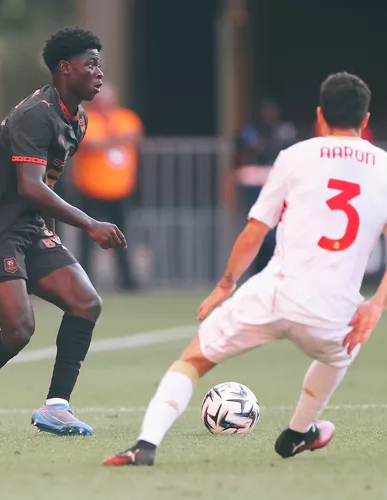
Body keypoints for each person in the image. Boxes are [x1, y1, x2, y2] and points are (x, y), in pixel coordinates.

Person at [104, 72, 387, 466]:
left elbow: (255, 231)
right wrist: (375, 306)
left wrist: (226, 284)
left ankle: (146, 444)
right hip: (334, 309)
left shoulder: (295, 156)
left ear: (320, 116)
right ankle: (299, 431)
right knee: (339, 355)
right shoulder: (383, 167)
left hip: (275, 294)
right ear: (366, 118)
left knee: (194, 359)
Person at [0, 27, 127, 437]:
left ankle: (56, 408)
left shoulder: (77, 119)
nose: (99, 72)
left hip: (28, 226)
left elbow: (47, 185)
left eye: (100, 64)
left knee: (85, 302)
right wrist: (90, 223)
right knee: (19, 329)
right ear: (66, 68)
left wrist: (52, 238)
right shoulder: (36, 114)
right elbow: (31, 187)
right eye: (91, 64)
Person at [73, 82, 143, 290]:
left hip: (121, 190)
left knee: (122, 238)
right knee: (86, 240)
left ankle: (127, 280)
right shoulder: (84, 119)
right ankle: (83, 280)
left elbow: (135, 135)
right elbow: (89, 144)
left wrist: (107, 141)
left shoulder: (126, 118)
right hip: (90, 189)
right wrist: (118, 140)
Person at [232, 100, 296, 274]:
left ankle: (278, 272)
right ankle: (255, 272)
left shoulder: (283, 130)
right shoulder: (249, 131)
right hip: (253, 186)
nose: (268, 116)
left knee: (278, 232)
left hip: (277, 184)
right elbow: (244, 155)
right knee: (256, 229)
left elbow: (284, 151)